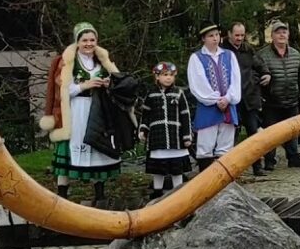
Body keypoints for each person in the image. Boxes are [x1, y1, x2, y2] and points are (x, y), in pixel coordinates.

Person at [40, 22, 121, 205]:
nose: (89, 44)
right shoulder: (68, 62)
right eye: (84, 40)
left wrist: (109, 85)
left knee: (97, 147)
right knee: (69, 151)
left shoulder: (102, 60)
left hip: (98, 109)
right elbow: (62, 91)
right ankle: (62, 195)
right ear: (77, 41)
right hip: (75, 111)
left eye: (92, 40)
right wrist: (84, 85)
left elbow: (118, 84)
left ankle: (99, 195)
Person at [256, 21, 300, 169]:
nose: (282, 35)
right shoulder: (263, 55)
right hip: (271, 102)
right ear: (272, 36)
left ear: (288, 35)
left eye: (284, 32)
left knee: (292, 132)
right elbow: (255, 76)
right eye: (278, 32)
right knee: (271, 134)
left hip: (292, 101)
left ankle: (293, 158)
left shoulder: (295, 54)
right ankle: (269, 161)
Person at [187, 23, 241, 172]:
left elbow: (236, 80)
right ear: (203, 38)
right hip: (208, 108)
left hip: (228, 106)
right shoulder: (196, 58)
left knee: (226, 146)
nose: (215, 38)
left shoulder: (229, 55)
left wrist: (228, 98)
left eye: (217, 35)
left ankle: (224, 183)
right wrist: (215, 99)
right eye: (211, 36)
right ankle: (206, 184)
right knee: (205, 147)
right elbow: (197, 83)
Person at [222, 21, 272, 177]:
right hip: (231, 100)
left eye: (242, 35)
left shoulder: (248, 49)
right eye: (236, 35)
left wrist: (266, 73)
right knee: (230, 136)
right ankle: (231, 168)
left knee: (253, 133)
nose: (239, 38)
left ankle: (257, 166)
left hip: (249, 97)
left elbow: (259, 64)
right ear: (229, 34)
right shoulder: (222, 51)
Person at [139, 62, 193, 199]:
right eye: (165, 75)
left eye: (171, 75)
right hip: (158, 137)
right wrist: (143, 129)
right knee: (158, 168)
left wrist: (187, 136)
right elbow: (146, 114)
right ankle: (158, 192)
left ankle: (179, 192)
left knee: (177, 167)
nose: (168, 78)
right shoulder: (151, 94)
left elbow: (185, 114)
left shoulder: (179, 93)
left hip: (176, 137)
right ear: (157, 77)